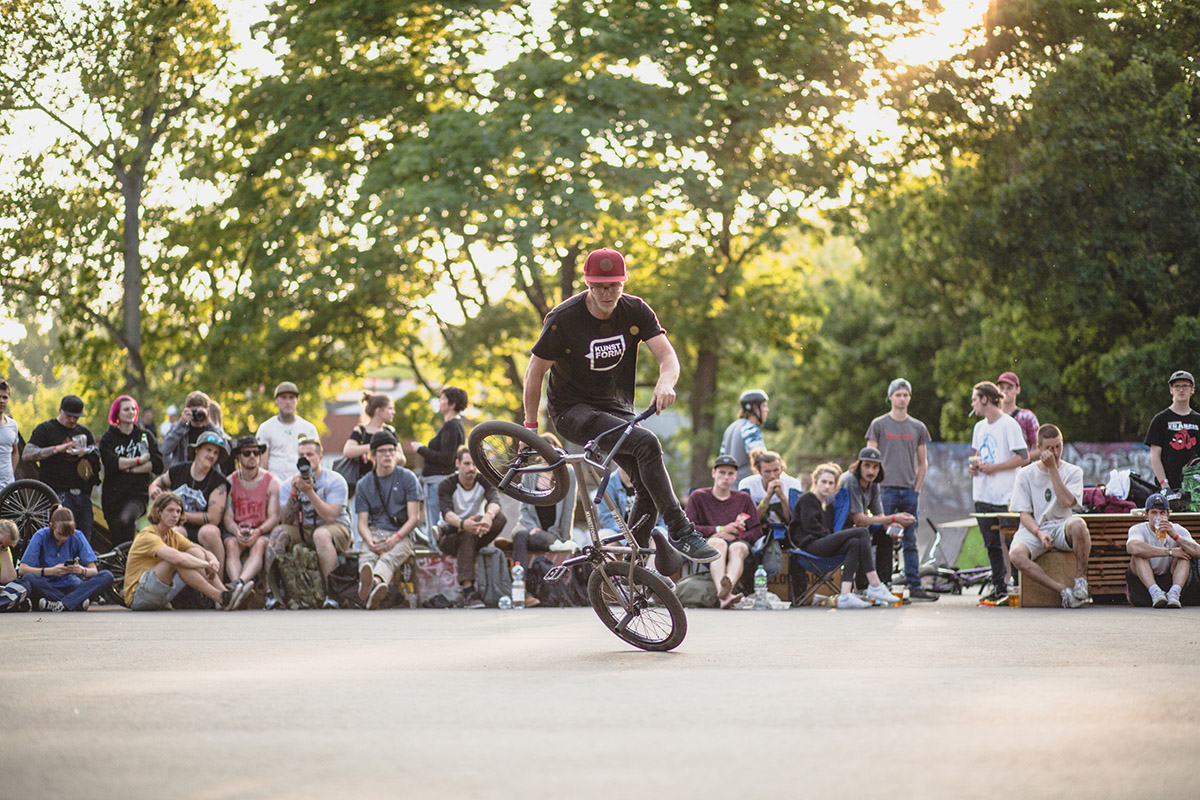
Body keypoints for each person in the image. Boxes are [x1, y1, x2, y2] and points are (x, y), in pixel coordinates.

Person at [522, 247, 717, 564]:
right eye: (599, 286)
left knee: (648, 485)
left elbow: (667, 357)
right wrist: (531, 429)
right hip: (572, 411)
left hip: (616, 410)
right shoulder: (563, 319)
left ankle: (632, 560)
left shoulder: (636, 311)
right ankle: (681, 530)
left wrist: (665, 383)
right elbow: (534, 373)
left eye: (613, 286)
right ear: (588, 285)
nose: (606, 293)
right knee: (647, 442)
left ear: (623, 283)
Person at [788, 463, 900, 609]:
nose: (827, 486)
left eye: (831, 483)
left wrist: (836, 539)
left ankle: (845, 594)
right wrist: (836, 538)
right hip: (810, 546)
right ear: (815, 482)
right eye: (823, 482)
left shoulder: (828, 506)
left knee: (854, 543)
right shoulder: (808, 499)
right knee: (862, 531)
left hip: (823, 544)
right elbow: (811, 529)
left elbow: (828, 532)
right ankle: (875, 584)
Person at [1007, 424, 1091, 609]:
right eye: (1049, 448)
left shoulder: (1073, 471)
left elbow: (1067, 502)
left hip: (1062, 525)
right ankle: (1062, 591)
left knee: (1078, 524)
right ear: (1038, 448)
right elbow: (1024, 515)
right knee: (1016, 554)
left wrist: (1053, 469)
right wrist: (1039, 533)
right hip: (1035, 528)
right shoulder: (1025, 474)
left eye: (1058, 446)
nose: (1055, 452)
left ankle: (1080, 580)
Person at [265, 436, 352, 609]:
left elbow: (330, 517)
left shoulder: (335, 480)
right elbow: (286, 519)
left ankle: (331, 594)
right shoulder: (289, 484)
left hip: (337, 529)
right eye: (302, 455)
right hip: (304, 530)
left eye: (310, 454)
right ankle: (273, 594)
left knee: (321, 535)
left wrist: (310, 492)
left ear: (320, 457)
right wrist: (294, 494)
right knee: (278, 533)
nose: (306, 459)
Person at [865, 379, 932, 600]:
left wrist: (917, 488)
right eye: (898, 394)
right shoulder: (879, 424)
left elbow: (923, 462)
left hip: (908, 490)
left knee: (910, 539)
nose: (902, 398)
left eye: (905, 394)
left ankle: (914, 584)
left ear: (909, 398)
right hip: (884, 490)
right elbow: (869, 458)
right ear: (890, 397)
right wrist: (873, 487)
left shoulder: (918, 427)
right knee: (883, 537)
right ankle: (881, 583)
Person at [837, 447, 929, 600]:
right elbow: (859, 519)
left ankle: (884, 585)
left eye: (875, 467)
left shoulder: (873, 484)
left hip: (858, 529)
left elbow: (879, 515)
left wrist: (893, 527)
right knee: (864, 535)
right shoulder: (850, 480)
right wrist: (893, 518)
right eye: (867, 466)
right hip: (840, 530)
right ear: (859, 465)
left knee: (885, 536)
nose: (871, 471)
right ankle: (864, 587)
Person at [149, 430, 231, 592]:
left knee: (210, 532)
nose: (212, 455)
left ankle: (219, 585)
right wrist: (153, 488)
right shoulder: (178, 470)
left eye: (216, 453)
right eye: (208, 450)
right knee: (176, 531)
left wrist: (180, 516)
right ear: (197, 450)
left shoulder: (219, 482)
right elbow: (158, 482)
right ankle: (167, 585)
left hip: (202, 528)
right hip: (180, 526)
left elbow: (213, 518)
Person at [969, 380, 1029, 601]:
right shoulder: (979, 427)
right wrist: (973, 468)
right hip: (982, 492)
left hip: (1006, 494)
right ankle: (999, 586)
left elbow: (1023, 457)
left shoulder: (1009, 424)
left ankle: (1018, 584)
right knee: (991, 543)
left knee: (1011, 541)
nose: (973, 404)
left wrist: (996, 467)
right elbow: (978, 454)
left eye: (975, 399)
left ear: (985, 399)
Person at [123, 491, 233, 611]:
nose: (175, 515)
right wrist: (206, 565)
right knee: (175, 561)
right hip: (138, 597)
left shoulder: (172, 535)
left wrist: (212, 559)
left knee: (195, 553)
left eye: (178, 511)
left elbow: (199, 550)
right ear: (159, 512)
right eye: (170, 511)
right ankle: (220, 597)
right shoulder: (148, 535)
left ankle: (225, 593)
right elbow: (178, 559)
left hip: (159, 595)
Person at [353, 430, 421, 609]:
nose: (388, 454)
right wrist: (370, 540)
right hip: (374, 532)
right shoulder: (364, 484)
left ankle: (373, 584)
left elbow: (414, 518)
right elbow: (362, 522)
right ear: (373, 455)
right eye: (382, 451)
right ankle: (371, 583)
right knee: (368, 555)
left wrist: (396, 538)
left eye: (391, 450)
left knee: (388, 558)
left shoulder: (407, 478)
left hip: (401, 534)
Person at [685, 455, 763, 608]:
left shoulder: (743, 498)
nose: (726, 477)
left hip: (738, 543)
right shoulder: (698, 496)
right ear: (713, 473)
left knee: (737, 547)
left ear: (735, 476)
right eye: (722, 472)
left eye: (730, 474)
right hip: (709, 543)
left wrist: (735, 535)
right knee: (718, 543)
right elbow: (689, 527)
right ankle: (726, 593)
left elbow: (757, 530)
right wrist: (718, 530)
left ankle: (724, 592)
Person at [509, 432, 578, 604]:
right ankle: (521, 591)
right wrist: (532, 527)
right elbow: (524, 507)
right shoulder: (529, 474)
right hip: (528, 527)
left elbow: (569, 508)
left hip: (551, 534)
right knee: (519, 535)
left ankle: (553, 543)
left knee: (540, 537)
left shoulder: (567, 473)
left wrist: (565, 538)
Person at [22, 395, 101, 541]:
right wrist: (58, 449)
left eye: (76, 417)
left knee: (84, 538)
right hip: (57, 491)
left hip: (82, 494)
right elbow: (27, 454)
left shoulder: (84, 433)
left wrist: (89, 456)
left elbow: (95, 461)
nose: (72, 420)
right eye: (69, 416)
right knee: (63, 536)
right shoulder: (46, 429)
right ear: (60, 411)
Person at [437, 446, 507, 609]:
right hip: (449, 536)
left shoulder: (484, 480)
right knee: (466, 535)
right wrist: (463, 524)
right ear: (457, 464)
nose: (471, 468)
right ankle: (468, 591)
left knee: (500, 518)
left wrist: (488, 516)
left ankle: (472, 531)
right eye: (467, 464)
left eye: (475, 465)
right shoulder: (446, 484)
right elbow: (447, 513)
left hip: (476, 531)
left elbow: (495, 502)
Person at [221, 436, 281, 609]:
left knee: (260, 545)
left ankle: (238, 585)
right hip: (237, 530)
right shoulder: (230, 482)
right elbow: (227, 516)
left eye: (257, 452)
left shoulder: (272, 482)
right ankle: (239, 588)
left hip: (261, 530)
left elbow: (274, 517)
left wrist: (258, 531)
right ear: (238, 456)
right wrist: (236, 530)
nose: (253, 456)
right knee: (231, 545)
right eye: (247, 453)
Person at [16, 507, 114, 612]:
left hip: (72, 584)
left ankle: (59, 604)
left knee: (107, 575)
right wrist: (50, 571)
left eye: (68, 535)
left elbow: (93, 570)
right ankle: (75, 602)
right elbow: (22, 569)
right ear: (51, 526)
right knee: (30, 578)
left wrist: (81, 570)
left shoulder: (78, 536)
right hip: (47, 585)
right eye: (60, 534)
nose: (64, 538)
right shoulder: (41, 536)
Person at [98, 395, 164, 546]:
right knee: (116, 539)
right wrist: (139, 461)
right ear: (117, 413)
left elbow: (158, 464)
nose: (131, 412)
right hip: (112, 497)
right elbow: (111, 463)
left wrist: (131, 470)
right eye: (126, 409)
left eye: (133, 409)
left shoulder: (145, 436)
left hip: (137, 494)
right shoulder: (108, 438)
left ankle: (131, 563)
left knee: (126, 519)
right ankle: (121, 567)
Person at [408, 385, 467, 535]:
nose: (439, 402)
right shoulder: (456, 426)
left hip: (437, 482)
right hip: (439, 481)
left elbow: (447, 458)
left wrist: (421, 449)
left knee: (435, 525)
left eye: (442, 399)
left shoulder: (451, 427)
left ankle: (437, 553)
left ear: (452, 404)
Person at [1126, 493, 1200, 608]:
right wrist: (1169, 551)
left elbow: (1198, 551)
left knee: (1184, 553)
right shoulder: (1138, 529)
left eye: (1162, 513)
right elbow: (1132, 547)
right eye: (1154, 513)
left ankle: (1174, 593)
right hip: (1144, 584)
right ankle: (1155, 592)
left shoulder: (1176, 529)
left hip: (1169, 578)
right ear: (1147, 515)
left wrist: (1175, 536)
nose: (1158, 517)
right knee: (1138, 554)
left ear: (1168, 514)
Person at [1144, 369, 1200, 490]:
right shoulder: (1160, 420)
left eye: (1185, 386)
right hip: (1169, 485)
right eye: (1177, 386)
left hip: (1196, 486)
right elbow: (1155, 456)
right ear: (1171, 390)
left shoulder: (1198, 420)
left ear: (1192, 390)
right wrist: (1164, 484)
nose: (1181, 390)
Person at [258, 381, 319, 486]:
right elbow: (262, 464)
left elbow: (316, 460)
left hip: (302, 483)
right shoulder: (265, 428)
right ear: (276, 400)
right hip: (274, 486)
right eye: (284, 397)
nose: (288, 402)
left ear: (296, 401)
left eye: (291, 397)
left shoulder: (309, 428)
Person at [341, 392, 396, 497]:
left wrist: (387, 455)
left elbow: (401, 458)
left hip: (386, 483)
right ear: (378, 411)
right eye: (390, 408)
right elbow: (347, 451)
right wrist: (373, 446)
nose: (393, 412)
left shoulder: (390, 431)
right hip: (362, 485)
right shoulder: (361, 430)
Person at [160, 390, 227, 469]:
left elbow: (226, 450)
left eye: (200, 411)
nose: (197, 415)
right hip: (183, 475)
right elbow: (164, 450)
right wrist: (181, 423)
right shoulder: (179, 429)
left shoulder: (212, 430)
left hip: (208, 477)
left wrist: (209, 423)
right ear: (187, 410)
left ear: (207, 411)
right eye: (194, 411)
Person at [738, 450, 802, 531]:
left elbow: (792, 520)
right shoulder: (747, 485)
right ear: (759, 471)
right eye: (767, 472)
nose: (772, 476)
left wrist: (782, 497)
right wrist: (767, 497)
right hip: (758, 531)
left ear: (782, 469)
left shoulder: (793, 484)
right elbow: (750, 522)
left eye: (776, 470)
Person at [720, 389, 769, 482]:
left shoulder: (730, 428)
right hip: (745, 486)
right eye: (764, 406)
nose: (767, 409)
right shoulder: (750, 429)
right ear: (754, 408)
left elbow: (721, 459)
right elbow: (761, 459)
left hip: (728, 486)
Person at [996, 371, 1040, 460]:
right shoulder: (993, 418)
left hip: (1022, 471)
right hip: (997, 471)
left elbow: (1041, 449)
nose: (1005, 391)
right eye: (1001, 388)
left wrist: (1020, 460)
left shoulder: (1027, 417)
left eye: (1009, 388)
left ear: (1018, 390)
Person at [0, 520, 30, 612]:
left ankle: (5, 603)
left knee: (24, 585)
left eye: (4, 546)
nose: (1, 546)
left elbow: (9, 579)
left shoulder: (4, 551)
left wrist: (4, 551)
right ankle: (10, 604)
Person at [0, 379, 18, 492]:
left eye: (5, 397)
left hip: (7, 487)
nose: (1, 401)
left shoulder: (13, 424)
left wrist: (11, 473)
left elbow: (15, 451)